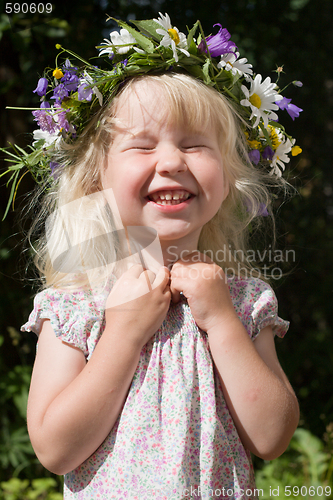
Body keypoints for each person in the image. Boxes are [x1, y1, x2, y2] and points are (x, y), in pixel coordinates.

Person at [7, 12, 302, 500]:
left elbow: (271, 437)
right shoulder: (75, 304)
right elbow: (55, 449)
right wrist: (122, 332)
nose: (170, 162)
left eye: (195, 145)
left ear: (227, 176)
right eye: (141, 146)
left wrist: (223, 319)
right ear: (96, 174)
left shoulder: (244, 300)